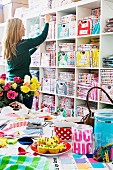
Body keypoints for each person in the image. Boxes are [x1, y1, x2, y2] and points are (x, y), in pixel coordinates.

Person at [2, 14, 50, 109]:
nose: (25, 29)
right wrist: (47, 22)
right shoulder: (24, 44)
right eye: (23, 27)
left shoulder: (9, 46)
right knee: (26, 112)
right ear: (17, 30)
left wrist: (35, 49)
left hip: (11, 85)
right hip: (24, 85)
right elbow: (41, 37)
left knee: (15, 114)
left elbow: (21, 59)